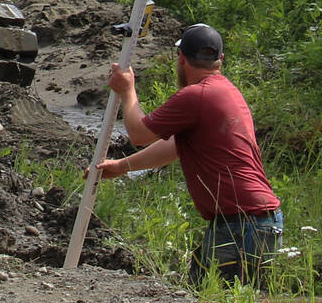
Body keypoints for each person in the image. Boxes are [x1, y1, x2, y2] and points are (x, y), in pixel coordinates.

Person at [99, 22, 282, 282]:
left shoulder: (197, 95)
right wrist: (121, 166)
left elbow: (139, 135)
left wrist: (128, 91)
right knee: (212, 300)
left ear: (182, 58)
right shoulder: (227, 91)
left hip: (241, 225)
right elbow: (174, 146)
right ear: (220, 60)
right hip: (257, 222)